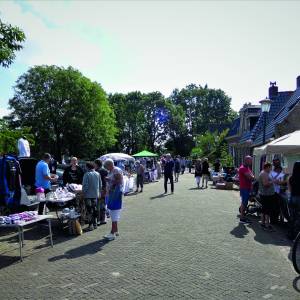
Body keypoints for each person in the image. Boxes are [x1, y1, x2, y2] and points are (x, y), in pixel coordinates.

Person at [103, 158, 124, 241]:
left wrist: (109, 180)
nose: (106, 168)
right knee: (113, 213)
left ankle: (112, 233)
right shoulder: (111, 171)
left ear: (110, 165)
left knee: (114, 213)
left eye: (106, 167)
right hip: (112, 194)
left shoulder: (116, 170)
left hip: (115, 194)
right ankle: (116, 231)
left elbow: (119, 181)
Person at [82, 162, 102, 231]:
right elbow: (100, 184)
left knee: (89, 210)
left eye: (85, 166)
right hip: (95, 194)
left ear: (88, 167)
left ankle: (90, 225)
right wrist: (99, 193)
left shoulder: (86, 174)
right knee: (94, 209)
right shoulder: (98, 173)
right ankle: (95, 224)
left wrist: (83, 193)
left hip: (88, 195)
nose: (85, 168)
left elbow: (85, 186)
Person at [258, 162, 276, 231]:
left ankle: (263, 223)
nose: (271, 169)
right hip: (266, 194)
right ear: (267, 167)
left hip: (265, 194)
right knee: (267, 210)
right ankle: (267, 225)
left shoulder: (264, 173)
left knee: (264, 209)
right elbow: (265, 184)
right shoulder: (264, 174)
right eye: (270, 167)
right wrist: (273, 181)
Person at [238, 155, 255, 224]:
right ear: (246, 160)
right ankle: (242, 218)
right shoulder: (243, 168)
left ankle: (243, 216)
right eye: (250, 160)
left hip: (247, 187)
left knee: (245, 202)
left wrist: (252, 176)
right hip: (244, 188)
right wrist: (252, 176)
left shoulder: (247, 168)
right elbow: (251, 177)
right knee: (244, 202)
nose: (251, 162)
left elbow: (251, 175)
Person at [287, 162, 300, 239]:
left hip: (292, 198)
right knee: (298, 218)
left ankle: (290, 234)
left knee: (292, 217)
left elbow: (289, 190)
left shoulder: (290, 178)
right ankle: (297, 235)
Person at [95, 159, 108, 225]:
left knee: (98, 205)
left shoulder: (97, 171)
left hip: (99, 189)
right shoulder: (105, 170)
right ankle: (104, 219)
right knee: (103, 204)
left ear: (97, 164)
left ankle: (99, 220)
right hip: (105, 188)